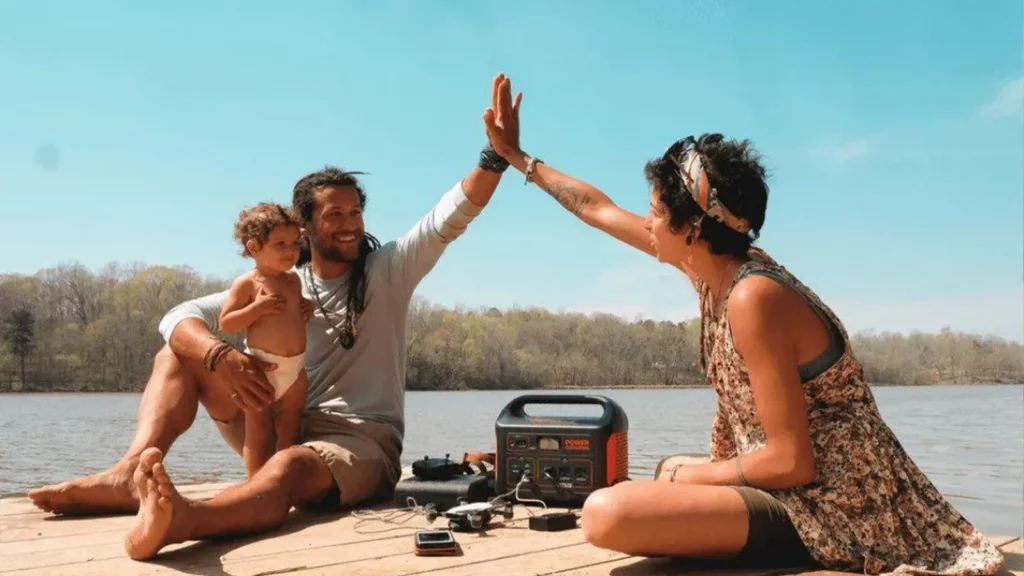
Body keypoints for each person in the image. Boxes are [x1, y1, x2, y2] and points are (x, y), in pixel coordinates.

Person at [482, 88, 1004, 574]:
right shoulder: (711, 267)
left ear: (692, 228)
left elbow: (793, 460)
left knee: (606, 513)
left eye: (657, 211)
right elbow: (597, 208)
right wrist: (517, 157)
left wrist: (698, 477)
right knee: (665, 469)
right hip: (789, 484)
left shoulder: (755, 297)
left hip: (835, 504)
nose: (647, 222)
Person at [27, 73, 523, 561]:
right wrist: (221, 355)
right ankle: (127, 475)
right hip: (276, 418)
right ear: (305, 226)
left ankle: (185, 519)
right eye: (335, 215)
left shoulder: (387, 271)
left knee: (286, 467)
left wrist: (493, 158)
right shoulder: (280, 279)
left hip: (358, 445)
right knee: (178, 351)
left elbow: (448, 219)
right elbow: (178, 316)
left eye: (356, 213)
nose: (350, 225)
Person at [219, 202, 311, 478]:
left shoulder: (293, 281)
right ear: (253, 247)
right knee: (258, 430)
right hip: (264, 368)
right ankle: (256, 482)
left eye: (295, 243)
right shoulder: (248, 283)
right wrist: (256, 308)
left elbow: (297, 309)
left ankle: (284, 479)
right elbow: (227, 323)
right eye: (280, 244)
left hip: (295, 370)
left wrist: (307, 307)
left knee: (290, 425)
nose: (291, 250)